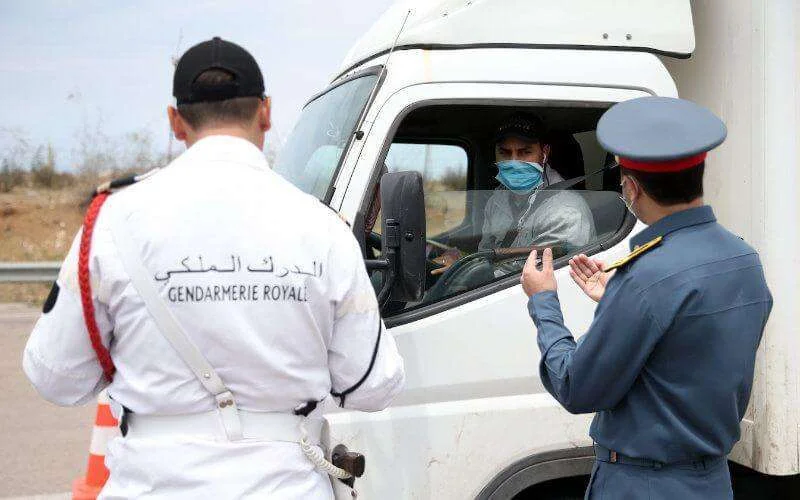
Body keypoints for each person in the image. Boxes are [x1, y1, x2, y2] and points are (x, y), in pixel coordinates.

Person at [23, 37, 404, 499]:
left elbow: (56, 377)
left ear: (175, 122)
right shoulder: (323, 229)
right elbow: (374, 386)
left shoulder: (110, 223)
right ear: (265, 112)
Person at [520, 96, 772, 499]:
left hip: (643, 485)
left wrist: (544, 301)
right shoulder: (743, 259)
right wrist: (614, 304)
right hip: (711, 481)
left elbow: (574, 386)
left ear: (632, 188)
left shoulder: (646, 278)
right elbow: (687, 350)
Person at [477, 113, 595, 253]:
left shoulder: (566, 212)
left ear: (544, 153)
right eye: (505, 153)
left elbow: (535, 272)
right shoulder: (497, 199)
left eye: (525, 152)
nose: (513, 162)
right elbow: (484, 254)